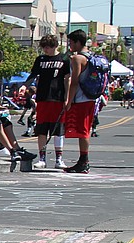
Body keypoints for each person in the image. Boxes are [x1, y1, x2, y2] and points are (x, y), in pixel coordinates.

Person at [24, 34, 69, 169]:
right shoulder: (40, 59)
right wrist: (25, 86)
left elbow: (67, 79)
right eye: (44, 47)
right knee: (42, 129)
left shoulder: (64, 59)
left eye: (48, 47)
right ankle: (42, 158)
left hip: (57, 98)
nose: (46, 50)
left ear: (55, 46)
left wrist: (67, 98)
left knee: (58, 130)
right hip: (42, 98)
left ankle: (59, 159)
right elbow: (33, 75)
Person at [63, 30, 99, 173]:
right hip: (90, 98)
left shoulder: (78, 58)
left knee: (83, 130)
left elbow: (75, 82)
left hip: (81, 99)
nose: (70, 45)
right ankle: (83, 160)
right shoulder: (90, 56)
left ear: (78, 42)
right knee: (85, 129)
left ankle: (84, 162)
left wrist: (68, 100)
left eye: (71, 42)